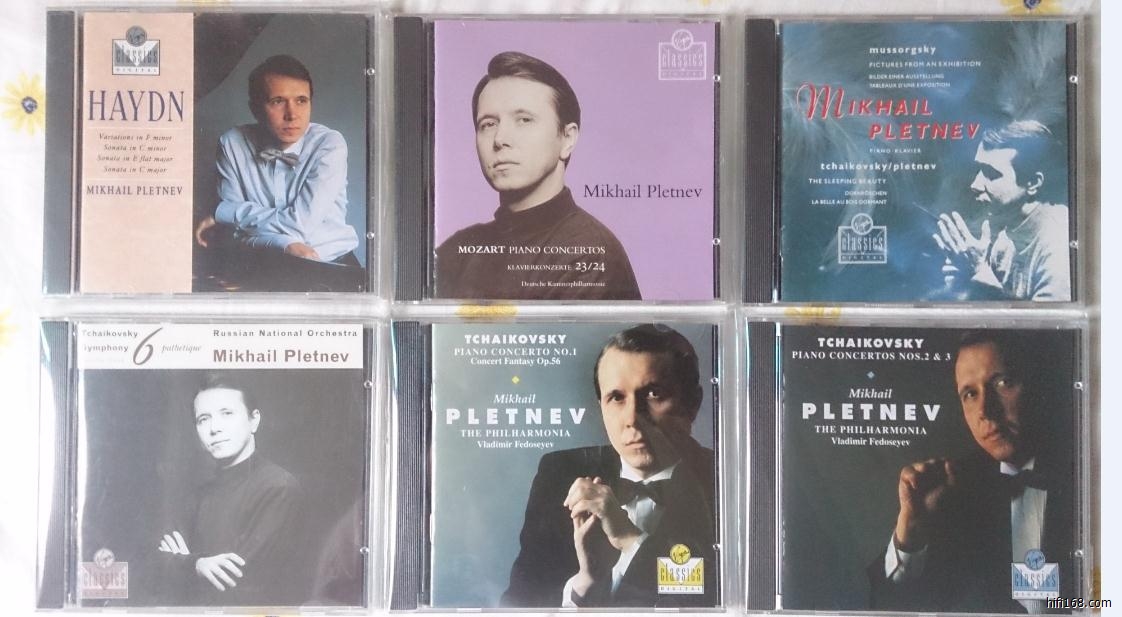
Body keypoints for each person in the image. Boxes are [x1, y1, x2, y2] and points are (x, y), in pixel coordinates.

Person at [502, 325, 716, 607]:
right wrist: (586, 581)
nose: (632, 418)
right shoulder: (559, 472)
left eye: (654, 393)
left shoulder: (726, 480)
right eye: (616, 397)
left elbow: (710, 597)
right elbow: (517, 604)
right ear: (601, 406)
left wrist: (629, 540)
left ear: (693, 403)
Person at [869, 331, 1073, 613]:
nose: (985, 410)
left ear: (1039, 383)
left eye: (1002, 382)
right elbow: (881, 604)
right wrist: (911, 533)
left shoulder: (1092, 473)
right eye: (970, 394)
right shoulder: (951, 487)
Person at [435, 51, 641, 300]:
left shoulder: (590, 254)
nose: (500, 139)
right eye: (488, 124)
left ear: (567, 138)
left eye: (524, 120)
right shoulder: (457, 251)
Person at [194, 55, 360, 268]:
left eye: (301, 101)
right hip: (263, 263)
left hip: (333, 264)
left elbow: (300, 224)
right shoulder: (232, 144)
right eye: (278, 101)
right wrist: (285, 244)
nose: (292, 115)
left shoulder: (329, 144)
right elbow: (233, 232)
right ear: (255, 109)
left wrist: (224, 212)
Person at [157, 373, 302, 605]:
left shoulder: (279, 487)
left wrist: (185, 562)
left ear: (254, 421)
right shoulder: (198, 495)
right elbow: (157, 567)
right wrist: (198, 565)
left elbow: (240, 586)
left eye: (227, 413)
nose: (214, 428)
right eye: (203, 419)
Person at [933, 120, 1070, 301]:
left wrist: (978, 271)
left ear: (1033, 183)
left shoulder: (1059, 242)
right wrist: (963, 281)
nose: (975, 185)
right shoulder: (1004, 230)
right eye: (979, 170)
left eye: (990, 173)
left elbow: (1047, 318)